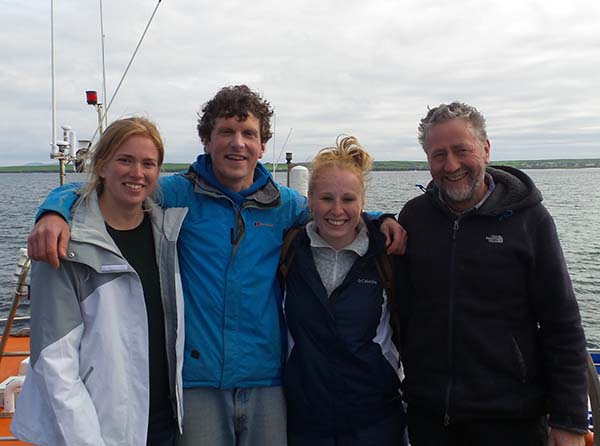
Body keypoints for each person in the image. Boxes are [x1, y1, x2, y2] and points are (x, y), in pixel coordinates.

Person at [25, 85, 406, 446]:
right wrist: (54, 209)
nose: (237, 142)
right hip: (198, 381)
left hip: (266, 380)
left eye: (248, 133)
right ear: (207, 140)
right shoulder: (175, 195)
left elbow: (334, 212)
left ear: (262, 145)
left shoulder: (284, 204)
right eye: (225, 131)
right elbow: (109, 187)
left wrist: (380, 219)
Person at [396, 102, 588, 446]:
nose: (451, 165)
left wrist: (569, 419)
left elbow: (562, 323)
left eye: (461, 150)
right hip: (429, 415)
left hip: (512, 419)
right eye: (438, 154)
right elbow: (400, 310)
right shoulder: (414, 217)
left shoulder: (530, 220)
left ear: (485, 148)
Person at [11, 117, 187, 446]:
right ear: (102, 165)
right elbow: (54, 364)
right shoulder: (65, 244)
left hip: (162, 422)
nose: (137, 173)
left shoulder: (167, 235)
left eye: (148, 163)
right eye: (125, 160)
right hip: (98, 430)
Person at [281, 136, 406, 446]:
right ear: (308, 200)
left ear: (362, 202)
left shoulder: (387, 255)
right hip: (305, 423)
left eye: (348, 199)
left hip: (375, 421)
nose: (337, 210)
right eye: (326, 198)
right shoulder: (288, 252)